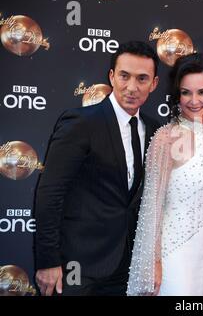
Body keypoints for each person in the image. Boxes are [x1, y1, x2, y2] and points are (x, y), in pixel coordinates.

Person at [33, 41, 161, 295]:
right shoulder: (81, 123)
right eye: (124, 76)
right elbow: (50, 193)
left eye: (142, 78)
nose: (132, 87)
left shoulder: (155, 130)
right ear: (112, 76)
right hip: (77, 267)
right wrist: (48, 261)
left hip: (127, 268)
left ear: (154, 84)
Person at [127, 53, 203, 296]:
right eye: (186, 92)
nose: (194, 101)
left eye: (202, 92)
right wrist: (152, 264)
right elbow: (151, 209)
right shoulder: (166, 138)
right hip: (174, 252)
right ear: (177, 95)